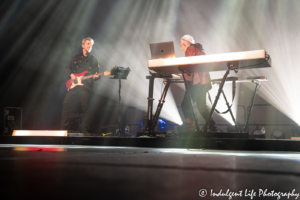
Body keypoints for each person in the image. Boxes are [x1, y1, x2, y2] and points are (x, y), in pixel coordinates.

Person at [60, 37, 100, 134]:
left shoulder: (94, 59)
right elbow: (67, 68)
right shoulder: (75, 57)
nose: (89, 46)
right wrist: (71, 75)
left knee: (85, 108)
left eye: (91, 44)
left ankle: (84, 132)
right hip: (73, 84)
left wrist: (96, 77)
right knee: (66, 104)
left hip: (85, 87)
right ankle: (63, 130)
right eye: (87, 44)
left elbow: (97, 73)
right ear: (82, 45)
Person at [180, 35, 217, 132]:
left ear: (185, 43)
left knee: (185, 105)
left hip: (196, 83)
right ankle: (212, 125)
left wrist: (180, 68)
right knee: (201, 106)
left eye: (182, 45)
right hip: (203, 83)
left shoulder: (190, 49)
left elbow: (190, 65)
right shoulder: (198, 50)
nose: (182, 48)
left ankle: (190, 128)